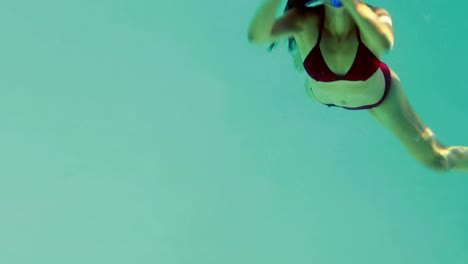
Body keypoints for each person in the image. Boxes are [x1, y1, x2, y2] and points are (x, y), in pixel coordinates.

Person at [247, 0, 468, 172]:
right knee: (299, 46)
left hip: (380, 97)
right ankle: (298, 53)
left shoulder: (376, 16)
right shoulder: (306, 20)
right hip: (320, 91)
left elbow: (385, 43)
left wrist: (351, 4)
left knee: (438, 160)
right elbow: (257, 35)